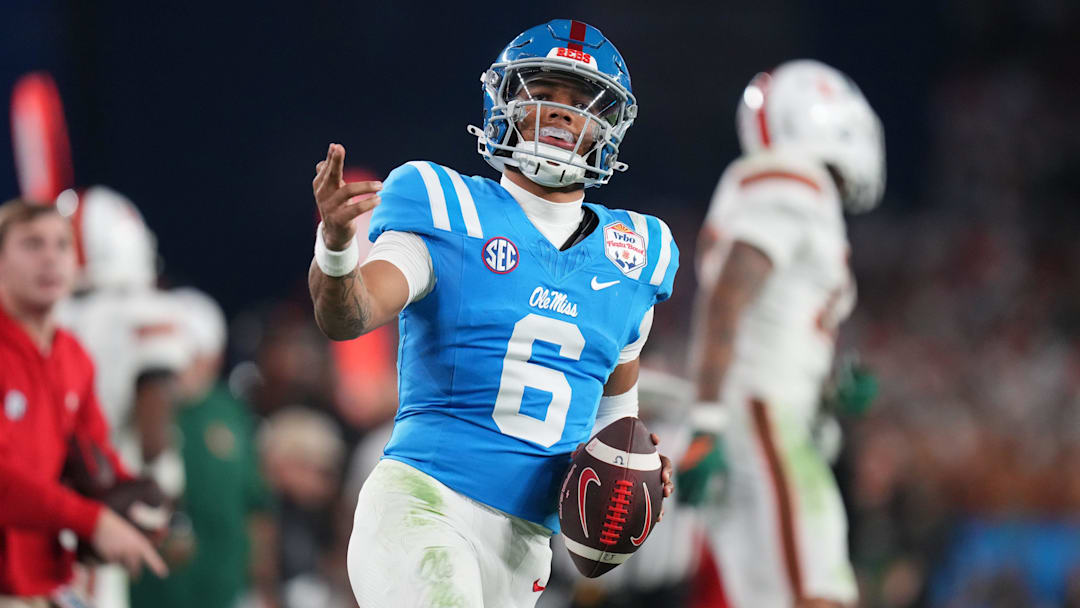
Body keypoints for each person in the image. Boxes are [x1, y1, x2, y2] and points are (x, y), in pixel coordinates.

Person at [308, 19, 678, 607]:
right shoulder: (445, 205)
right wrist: (334, 246)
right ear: (505, 104)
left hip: (525, 546)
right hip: (424, 505)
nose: (560, 114)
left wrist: (635, 474)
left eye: (579, 103)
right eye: (545, 96)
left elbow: (616, 422)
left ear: (605, 128)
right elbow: (347, 316)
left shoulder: (637, 254)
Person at [677, 60, 886, 608]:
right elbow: (727, 298)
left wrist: (829, 393)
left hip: (770, 414)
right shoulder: (794, 178)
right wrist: (706, 420)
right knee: (813, 596)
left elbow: (767, 316)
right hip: (762, 415)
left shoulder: (797, 190)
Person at [0, 199, 166, 604]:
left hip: (47, 579)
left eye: (62, 245)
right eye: (32, 244)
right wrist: (92, 520)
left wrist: (136, 500)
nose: (50, 258)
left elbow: (96, 454)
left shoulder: (73, 355)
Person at [128, 288, 279, 608]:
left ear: (213, 356)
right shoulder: (138, 407)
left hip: (222, 589)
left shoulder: (231, 411)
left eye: (190, 353)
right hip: (149, 592)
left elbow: (256, 505)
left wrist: (262, 586)